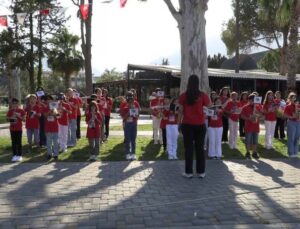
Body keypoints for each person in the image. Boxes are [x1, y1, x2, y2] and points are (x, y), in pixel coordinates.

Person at [178, 75, 211, 178]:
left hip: (187, 125)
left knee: (188, 149)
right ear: (198, 83)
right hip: (200, 125)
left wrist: (179, 123)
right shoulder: (203, 95)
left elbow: (180, 111)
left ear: (188, 82)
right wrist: (202, 112)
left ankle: (188, 173)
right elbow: (210, 106)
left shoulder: (183, 95)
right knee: (200, 148)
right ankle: (201, 172)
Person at [241, 94, 262, 159]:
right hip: (248, 126)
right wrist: (248, 118)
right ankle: (247, 152)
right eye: (252, 100)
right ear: (249, 100)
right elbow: (241, 116)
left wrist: (257, 114)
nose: (253, 102)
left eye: (254, 100)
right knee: (248, 140)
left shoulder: (258, 107)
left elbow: (262, 115)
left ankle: (254, 152)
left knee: (255, 141)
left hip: (256, 126)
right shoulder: (245, 107)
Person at [120, 92, 139, 160]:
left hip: (133, 124)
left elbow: (137, 117)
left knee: (133, 139)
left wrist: (134, 113)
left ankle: (133, 153)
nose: (131, 104)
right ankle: (127, 153)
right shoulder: (125, 108)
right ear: (127, 103)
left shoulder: (135, 108)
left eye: (132, 102)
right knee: (127, 139)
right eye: (130, 102)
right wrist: (129, 112)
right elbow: (123, 118)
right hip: (127, 124)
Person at [6, 98, 26, 162]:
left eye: (16, 103)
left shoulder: (21, 110)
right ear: (11, 104)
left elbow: (24, 120)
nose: (14, 105)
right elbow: (7, 119)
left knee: (19, 142)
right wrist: (11, 117)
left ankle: (19, 155)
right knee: (14, 142)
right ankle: (14, 155)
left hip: (19, 129)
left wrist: (18, 116)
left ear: (18, 104)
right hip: (12, 129)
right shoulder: (10, 111)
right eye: (13, 103)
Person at [284, 92, 300, 158]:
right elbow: (285, 114)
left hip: (298, 123)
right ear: (290, 99)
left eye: (295, 98)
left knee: (297, 138)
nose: (294, 99)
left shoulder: (298, 105)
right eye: (293, 98)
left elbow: (298, 115)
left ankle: (295, 152)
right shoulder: (288, 106)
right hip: (291, 123)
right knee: (291, 138)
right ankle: (291, 153)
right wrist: (291, 117)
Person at [44, 95, 60, 161]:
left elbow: (58, 117)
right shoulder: (45, 107)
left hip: (55, 127)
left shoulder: (56, 107)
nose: (48, 100)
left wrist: (55, 112)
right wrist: (50, 111)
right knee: (49, 142)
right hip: (48, 127)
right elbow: (45, 116)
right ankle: (49, 154)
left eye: (50, 99)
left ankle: (56, 154)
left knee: (56, 142)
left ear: (52, 100)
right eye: (47, 99)